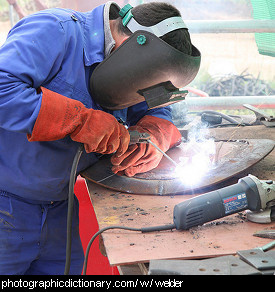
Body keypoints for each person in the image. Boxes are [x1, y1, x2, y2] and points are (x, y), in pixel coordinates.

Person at [0, 1, 200, 274]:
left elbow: (156, 108)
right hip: (6, 204)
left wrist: (155, 133)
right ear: (134, 46)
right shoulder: (55, 30)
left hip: (60, 207)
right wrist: (79, 120)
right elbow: (3, 88)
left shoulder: (131, 68)